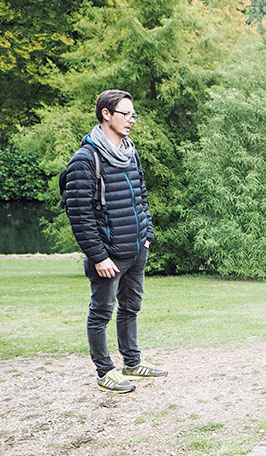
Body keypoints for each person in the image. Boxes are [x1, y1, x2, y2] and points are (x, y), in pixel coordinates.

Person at [64, 89, 166, 393]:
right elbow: (79, 215)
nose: (131, 120)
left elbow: (141, 197)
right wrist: (98, 256)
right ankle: (104, 371)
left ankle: (132, 362)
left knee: (131, 307)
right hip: (108, 255)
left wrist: (146, 235)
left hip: (136, 249)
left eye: (133, 114)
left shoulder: (130, 152)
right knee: (101, 312)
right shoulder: (86, 159)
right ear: (106, 114)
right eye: (126, 114)